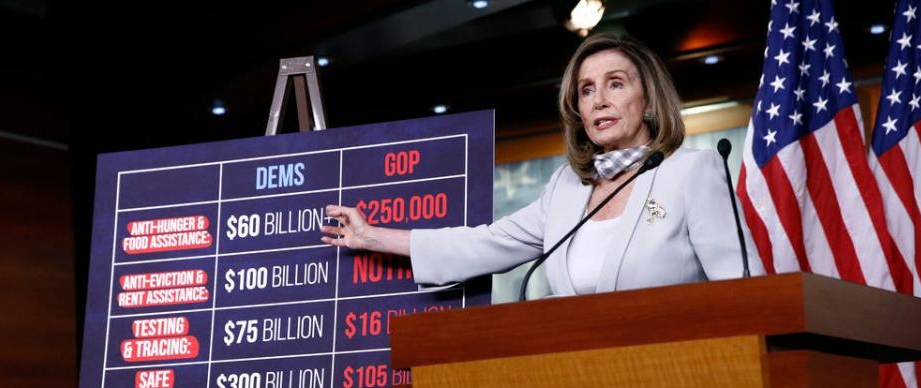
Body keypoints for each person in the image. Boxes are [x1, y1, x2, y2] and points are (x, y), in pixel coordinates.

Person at [321, 33, 763, 295]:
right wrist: (371, 235)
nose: (599, 100)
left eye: (615, 84)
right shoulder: (566, 189)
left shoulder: (692, 172)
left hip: (683, 376)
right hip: (576, 378)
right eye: (586, 90)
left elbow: (741, 290)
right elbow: (486, 244)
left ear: (647, 101)